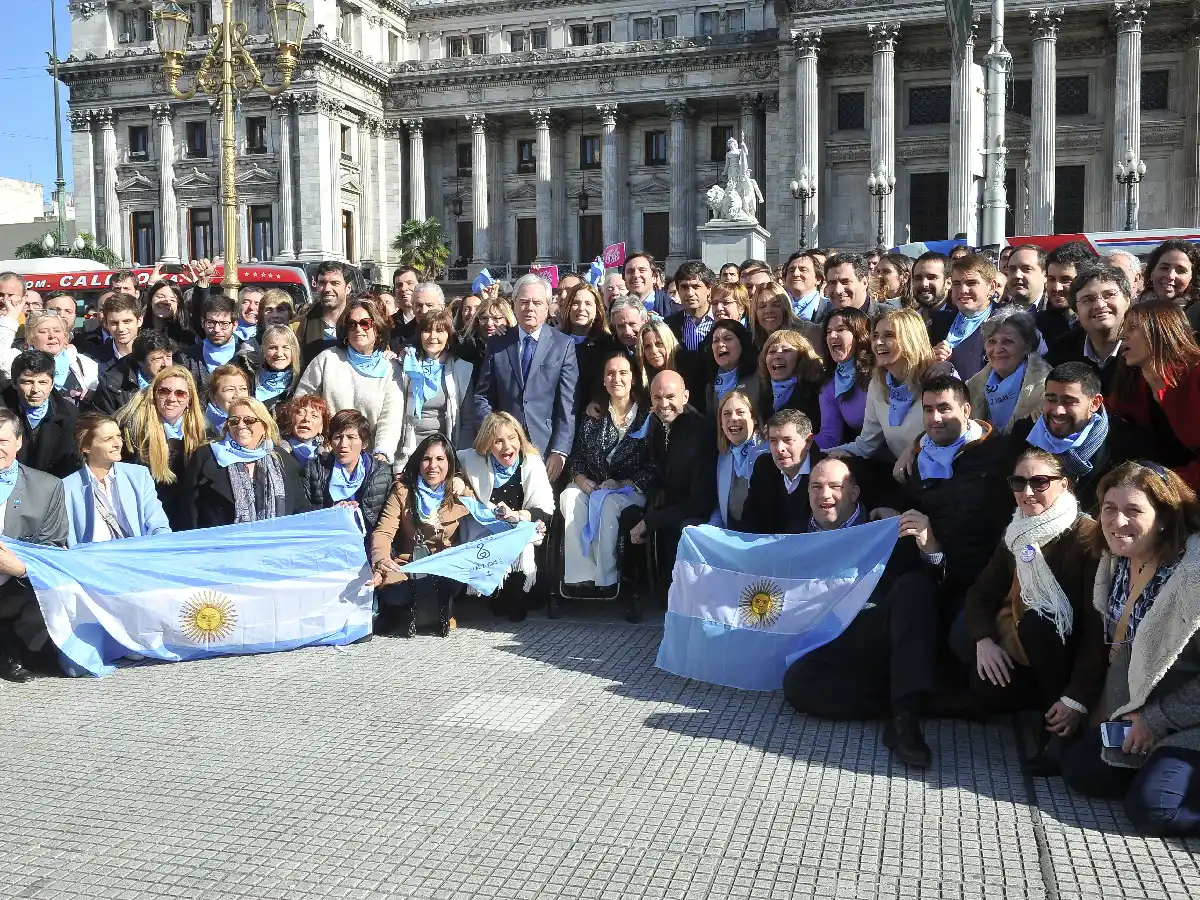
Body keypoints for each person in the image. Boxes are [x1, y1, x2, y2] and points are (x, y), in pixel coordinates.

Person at [1059, 461, 1200, 837]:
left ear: (1165, 517)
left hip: (1188, 715)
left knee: (1155, 809)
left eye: (1133, 510)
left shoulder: (1194, 575)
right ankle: (1162, 767)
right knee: (1080, 769)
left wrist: (1154, 721)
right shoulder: (1116, 560)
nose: (1117, 521)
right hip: (1152, 709)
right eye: (1109, 508)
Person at [782, 456, 941, 768]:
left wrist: (930, 546)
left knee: (914, 586)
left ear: (854, 493)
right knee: (797, 686)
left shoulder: (885, 527)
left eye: (835, 486)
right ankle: (909, 698)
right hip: (832, 643)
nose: (825, 494)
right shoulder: (792, 536)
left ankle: (905, 722)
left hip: (881, 631)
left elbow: (930, 583)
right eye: (816, 486)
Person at [957, 449, 1106, 775]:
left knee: (1038, 622)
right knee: (984, 684)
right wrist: (984, 641)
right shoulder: (1018, 531)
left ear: (1064, 485)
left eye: (1039, 482)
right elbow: (980, 594)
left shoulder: (1086, 536)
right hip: (1029, 649)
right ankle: (1042, 705)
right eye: (1018, 482)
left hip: (1072, 654)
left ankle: (1060, 727)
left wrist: (1076, 698)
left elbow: (1098, 629)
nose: (1027, 492)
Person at [895, 374, 1015, 624]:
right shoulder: (917, 461)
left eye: (944, 408)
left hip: (987, 584)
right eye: (928, 410)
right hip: (937, 576)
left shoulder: (999, 454)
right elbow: (917, 529)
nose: (935, 418)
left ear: (966, 410)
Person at [559, 351, 657, 592]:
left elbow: (654, 466)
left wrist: (622, 483)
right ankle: (580, 575)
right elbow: (578, 458)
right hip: (595, 485)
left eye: (623, 373)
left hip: (631, 489)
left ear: (633, 378)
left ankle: (606, 577)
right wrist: (582, 481)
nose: (617, 379)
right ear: (604, 380)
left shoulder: (647, 417)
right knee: (569, 496)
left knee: (609, 503)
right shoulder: (594, 415)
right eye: (610, 373)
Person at [473, 274, 578, 481]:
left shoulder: (563, 345)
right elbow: (483, 396)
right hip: (503, 447)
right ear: (513, 305)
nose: (530, 308)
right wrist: (493, 431)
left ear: (547, 307)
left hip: (546, 447)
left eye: (537, 303)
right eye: (524, 302)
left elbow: (568, 404)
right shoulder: (498, 342)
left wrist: (560, 450)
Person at [370, 432, 474, 638]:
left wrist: (462, 486)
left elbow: (485, 517)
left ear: (450, 463)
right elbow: (384, 531)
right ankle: (408, 613)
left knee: (451, 584)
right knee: (395, 593)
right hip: (409, 563)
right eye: (426, 459)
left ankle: (443, 608)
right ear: (418, 462)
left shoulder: (459, 493)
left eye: (440, 459)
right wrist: (381, 558)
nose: (432, 465)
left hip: (445, 563)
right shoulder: (402, 491)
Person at [457, 412, 554, 622]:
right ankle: (496, 591)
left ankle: (519, 593)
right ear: (487, 444)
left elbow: (545, 509)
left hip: (521, 530)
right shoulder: (471, 459)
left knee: (521, 547)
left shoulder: (532, 463)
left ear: (520, 438)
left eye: (512, 438)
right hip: (486, 531)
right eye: (498, 441)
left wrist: (517, 515)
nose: (507, 447)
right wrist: (459, 481)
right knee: (498, 606)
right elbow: (446, 461)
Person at [1012, 362, 1142, 512]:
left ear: (1095, 403)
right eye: (1051, 399)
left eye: (1069, 401)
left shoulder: (1125, 440)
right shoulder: (1025, 433)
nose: (1058, 410)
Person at [0, 408, 69, 683]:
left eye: (2, 441)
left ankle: (22, 650)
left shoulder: (47, 487)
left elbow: (53, 546)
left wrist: (20, 568)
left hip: (19, 582)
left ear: (18, 442)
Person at [629, 371, 717, 581]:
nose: (664, 404)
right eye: (657, 398)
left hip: (696, 518)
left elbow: (701, 502)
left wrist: (651, 521)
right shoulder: (656, 424)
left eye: (670, 397)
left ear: (685, 397)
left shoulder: (701, 433)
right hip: (670, 510)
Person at [296, 297, 404, 466]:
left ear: (377, 327)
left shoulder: (391, 368)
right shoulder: (327, 359)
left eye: (365, 323)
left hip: (369, 461)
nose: (358, 329)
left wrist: (381, 454)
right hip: (326, 456)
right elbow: (302, 402)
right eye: (352, 324)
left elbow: (391, 418)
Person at [1106, 299, 1200, 490]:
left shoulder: (1196, 375)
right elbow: (1104, 408)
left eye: (1133, 327)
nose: (1122, 336)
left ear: (1161, 330)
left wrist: (1168, 482)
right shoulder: (1136, 383)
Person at [179, 396, 311, 529]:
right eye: (234, 421)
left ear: (264, 426)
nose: (241, 426)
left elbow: (300, 511)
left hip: (277, 540)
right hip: (222, 541)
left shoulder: (283, 459)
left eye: (249, 421)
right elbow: (188, 512)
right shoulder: (207, 456)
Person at [829, 308, 936, 469]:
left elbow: (954, 434)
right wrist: (819, 454)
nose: (878, 343)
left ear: (910, 339)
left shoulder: (938, 378)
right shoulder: (878, 385)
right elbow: (865, 445)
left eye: (889, 335)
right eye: (876, 336)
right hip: (907, 478)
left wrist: (915, 447)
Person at [62, 412, 172, 547]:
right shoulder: (67, 487)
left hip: (137, 555)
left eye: (118, 436)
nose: (118, 443)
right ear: (86, 448)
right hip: (91, 557)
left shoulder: (139, 476)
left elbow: (158, 525)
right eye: (108, 439)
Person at [396, 308, 474, 470]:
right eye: (426, 330)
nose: (432, 336)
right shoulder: (406, 364)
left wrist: (458, 460)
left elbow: (467, 422)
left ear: (449, 336)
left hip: (445, 452)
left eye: (439, 331)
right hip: (409, 448)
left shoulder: (462, 369)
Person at [302, 409, 393, 534]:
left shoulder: (382, 473)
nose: (343, 444)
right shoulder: (314, 469)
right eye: (338, 437)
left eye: (351, 437)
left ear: (364, 443)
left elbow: (387, 523)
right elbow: (303, 517)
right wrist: (328, 516)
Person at [1046, 264, 1131, 393]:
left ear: (1128, 300)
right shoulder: (1061, 351)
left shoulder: (1147, 347)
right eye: (1088, 299)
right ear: (1076, 311)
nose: (1100, 305)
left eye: (1109, 295)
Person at [966, 307, 1052, 435]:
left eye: (1007, 342)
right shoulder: (971, 388)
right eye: (992, 342)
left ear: (1027, 346)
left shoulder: (1047, 388)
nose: (997, 350)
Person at [2, 350, 80, 479]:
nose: (36, 390)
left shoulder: (69, 414)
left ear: (52, 384)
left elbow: (68, 462)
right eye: (28, 382)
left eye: (43, 382)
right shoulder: (2, 409)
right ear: (15, 383)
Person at [742, 409, 820, 534]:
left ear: (808, 441)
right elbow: (749, 519)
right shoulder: (763, 467)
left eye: (787, 440)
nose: (779, 448)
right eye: (773, 440)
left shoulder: (825, 473)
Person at [0, 310, 99, 406]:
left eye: (57, 331)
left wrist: (91, 394)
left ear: (65, 337)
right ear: (31, 338)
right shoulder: (20, 362)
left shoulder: (84, 363)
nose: (52, 336)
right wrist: (11, 314)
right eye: (43, 332)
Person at [931, 252, 1003, 381]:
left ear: (991, 287)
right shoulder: (938, 322)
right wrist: (930, 357)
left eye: (971, 283)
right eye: (956, 283)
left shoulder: (1006, 322)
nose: (963, 290)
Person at [710, 391, 769, 530]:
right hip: (731, 534)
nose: (733, 418)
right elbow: (721, 508)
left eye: (740, 412)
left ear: (754, 418)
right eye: (727, 414)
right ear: (721, 423)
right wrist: (709, 529)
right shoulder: (723, 456)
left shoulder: (769, 451)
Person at [815, 307, 873, 449]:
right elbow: (829, 439)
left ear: (860, 334)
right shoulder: (830, 387)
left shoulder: (881, 371)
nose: (832, 336)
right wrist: (797, 443)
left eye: (841, 329)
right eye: (828, 332)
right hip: (870, 456)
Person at [664, 261, 716, 407]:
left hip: (715, 397)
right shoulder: (669, 325)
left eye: (696, 286)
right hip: (682, 401)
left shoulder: (721, 322)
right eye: (684, 287)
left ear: (709, 289)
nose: (690, 293)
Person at [87, 329, 174, 416]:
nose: (166, 364)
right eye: (158, 359)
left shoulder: (179, 377)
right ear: (140, 361)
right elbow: (101, 421)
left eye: (168, 357)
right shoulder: (112, 385)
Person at [559, 283, 617, 415]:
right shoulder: (555, 341)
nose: (581, 308)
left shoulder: (609, 344)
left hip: (595, 415)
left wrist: (598, 399)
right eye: (575, 303)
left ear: (597, 310)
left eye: (588, 304)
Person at [179, 295, 256, 390]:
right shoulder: (185, 358)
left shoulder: (248, 358)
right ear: (203, 322)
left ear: (235, 325)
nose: (217, 329)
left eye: (224, 324)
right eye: (211, 323)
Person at [757, 329, 824, 432]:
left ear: (801, 357)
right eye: (771, 352)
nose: (777, 356)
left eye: (786, 351)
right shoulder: (765, 392)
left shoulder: (817, 391)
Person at [1039, 241, 1094, 345]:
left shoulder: (1100, 320)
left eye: (1066, 280)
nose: (1057, 288)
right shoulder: (1037, 325)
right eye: (1051, 279)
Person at [300, 261, 353, 366]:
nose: (327, 289)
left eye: (335, 283)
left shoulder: (362, 324)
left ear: (348, 288)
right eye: (322, 283)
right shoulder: (299, 326)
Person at [707, 318, 760, 414]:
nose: (720, 344)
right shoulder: (711, 385)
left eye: (727, 339)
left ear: (742, 343)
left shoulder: (759, 378)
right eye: (715, 341)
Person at [85, 293, 142, 375]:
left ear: (139, 321)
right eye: (114, 323)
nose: (121, 328)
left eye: (127, 321)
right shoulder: (93, 361)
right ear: (106, 324)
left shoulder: (153, 355)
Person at [253, 324, 302, 415]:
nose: (279, 354)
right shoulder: (249, 379)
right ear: (263, 350)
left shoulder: (301, 383)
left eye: (285, 347)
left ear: (293, 350)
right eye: (272, 347)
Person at [276, 393, 331, 472]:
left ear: (321, 427)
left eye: (314, 416)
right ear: (291, 419)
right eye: (301, 413)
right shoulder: (276, 450)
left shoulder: (328, 457)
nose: (306, 419)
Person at [1142, 238, 1200, 310]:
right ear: (1152, 272)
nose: (1170, 276)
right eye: (1164, 268)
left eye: (1181, 271)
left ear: (1192, 277)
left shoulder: (1196, 313)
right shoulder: (1133, 308)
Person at [825, 253, 887, 318]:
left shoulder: (888, 318)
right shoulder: (823, 318)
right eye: (832, 283)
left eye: (845, 282)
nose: (838, 290)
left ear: (864, 283)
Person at [459, 296, 515, 366]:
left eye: (496, 318)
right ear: (477, 321)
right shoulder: (465, 347)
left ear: (507, 320)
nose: (489, 323)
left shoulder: (516, 346)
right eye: (484, 318)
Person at [748, 281, 802, 351]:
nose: (768, 311)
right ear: (755, 312)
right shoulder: (749, 343)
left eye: (776, 305)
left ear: (785, 308)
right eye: (762, 306)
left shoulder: (807, 333)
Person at [781, 251, 830, 323]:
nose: (796, 274)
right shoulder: (776, 307)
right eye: (791, 270)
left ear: (818, 279)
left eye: (803, 270)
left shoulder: (830, 308)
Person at [203, 363, 252, 435]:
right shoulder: (201, 427)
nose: (238, 395)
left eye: (243, 388)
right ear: (213, 397)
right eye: (230, 389)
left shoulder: (258, 420)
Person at [624, 251, 673, 317]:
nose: (636, 275)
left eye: (642, 270)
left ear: (654, 277)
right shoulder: (615, 309)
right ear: (624, 278)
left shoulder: (673, 308)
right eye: (630, 271)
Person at [635, 319, 680, 389]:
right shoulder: (640, 375)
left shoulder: (687, 366)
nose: (653, 351)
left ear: (669, 342)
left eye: (659, 344)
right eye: (647, 346)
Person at [911, 251, 952, 325]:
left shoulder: (959, 321)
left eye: (932, 277)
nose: (924, 284)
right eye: (918, 278)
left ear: (948, 283)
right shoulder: (909, 321)